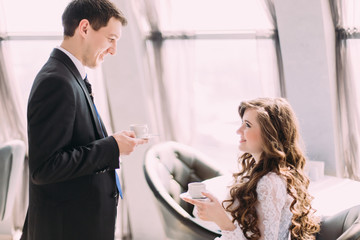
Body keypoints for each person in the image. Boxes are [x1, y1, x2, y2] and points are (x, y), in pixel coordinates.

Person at [20, 1, 147, 239]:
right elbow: (45, 167)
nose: (113, 50)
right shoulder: (56, 82)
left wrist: (113, 143)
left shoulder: (69, 76)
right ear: (85, 28)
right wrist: (112, 147)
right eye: (111, 38)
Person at [183, 97, 320, 240]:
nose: (238, 130)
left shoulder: (270, 182)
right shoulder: (261, 173)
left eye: (247, 125)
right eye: (242, 123)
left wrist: (222, 221)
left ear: (269, 134)